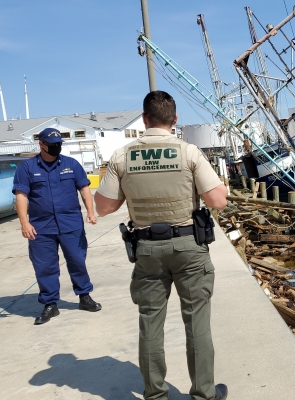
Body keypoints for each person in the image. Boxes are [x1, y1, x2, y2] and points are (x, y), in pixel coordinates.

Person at [94, 90, 229, 400]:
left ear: (144, 120)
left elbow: (103, 208)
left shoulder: (122, 156)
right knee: (197, 322)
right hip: (188, 247)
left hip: (146, 250)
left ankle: (155, 394)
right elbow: (217, 201)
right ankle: (204, 394)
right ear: (175, 119)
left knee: (150, 322)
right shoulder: (189, 153)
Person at [12, 128, 102, 325]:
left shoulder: (71, 164)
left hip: (70, 224)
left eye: (58, 144)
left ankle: (84, 297)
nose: (56, 148)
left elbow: (84, 188)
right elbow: (21, 195)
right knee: (45, 266)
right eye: (52, 145)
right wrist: (24, 222)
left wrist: (90, 211)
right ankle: (50, 304)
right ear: (41, 145)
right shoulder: (26, 168)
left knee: (77, 260)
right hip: (41, 227)